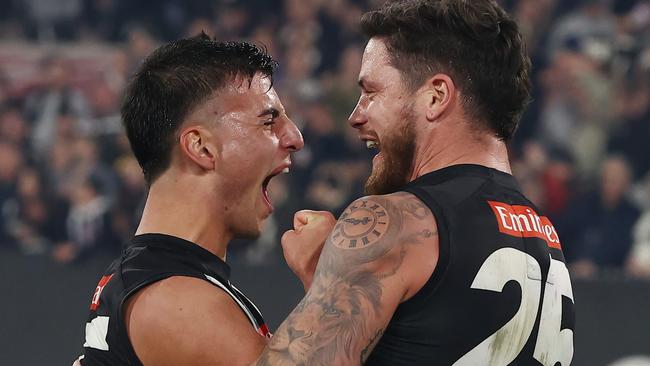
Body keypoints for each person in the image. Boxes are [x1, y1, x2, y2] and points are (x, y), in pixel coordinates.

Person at [252, 0, 576, 365]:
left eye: (371, 92)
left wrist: (325, 276)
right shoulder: (543, 235)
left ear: (436, 97)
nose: (355, 116)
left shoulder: (393, 222)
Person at [76, 33, 305, 365]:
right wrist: (331, 281)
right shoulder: (175, 303)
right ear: (201, 147)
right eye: (268, 121)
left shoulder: (149, 281)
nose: (295, 137)